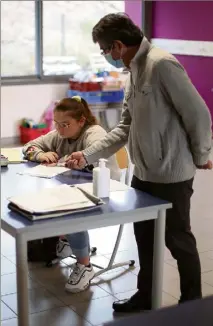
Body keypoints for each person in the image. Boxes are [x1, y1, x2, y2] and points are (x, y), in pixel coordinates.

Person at [66, 13, 213, 312]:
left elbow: (198, 114)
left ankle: (192, 306)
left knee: (177, 239)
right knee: (144, 237)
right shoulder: (134, 71)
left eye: (106, 50)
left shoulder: (162, 65)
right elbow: (124, 127)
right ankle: (145, 297)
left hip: (171, 174)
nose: (107, 56)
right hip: (144, 173)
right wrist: (89, 154)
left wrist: (202, 155)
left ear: (118, 45)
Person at [23, 96, 120, 293]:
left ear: (81, 121)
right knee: (52, 198)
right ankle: (67, 239)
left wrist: (64, 160)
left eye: (65, 124)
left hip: (105, 191)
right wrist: (41, 155)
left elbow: (94, 155)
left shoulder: (94, 133)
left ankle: (85, 265)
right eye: (56, 124)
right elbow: (29, 146)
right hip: (74, 188)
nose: (59, 129)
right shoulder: (60, 134)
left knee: (71, 209)